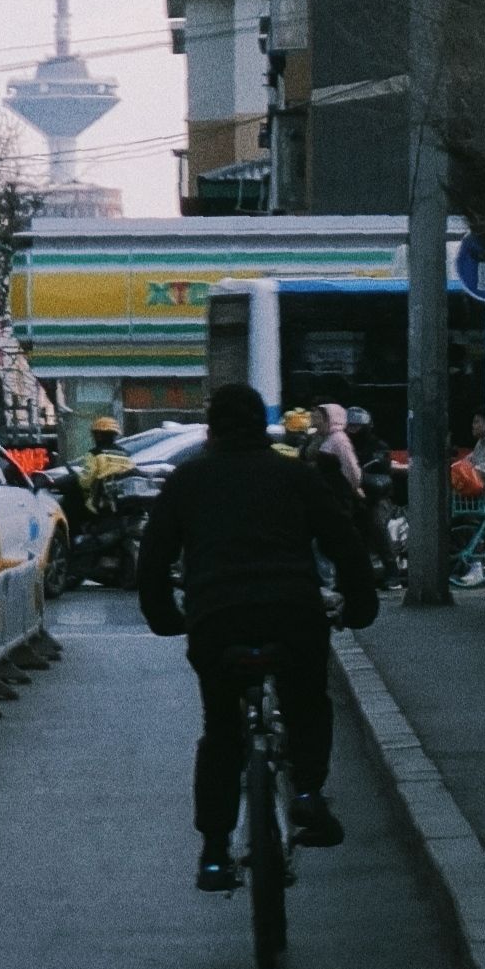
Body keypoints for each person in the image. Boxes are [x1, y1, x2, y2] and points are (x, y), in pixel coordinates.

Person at [139, 381, 380, 891]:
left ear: (212, 429)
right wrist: (361, 605)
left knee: (221, 731)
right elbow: (345, 542)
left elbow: (153, 557)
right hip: (292, 614)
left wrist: (165, 616)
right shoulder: (295, 476)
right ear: (262, 428)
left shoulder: (187, 480)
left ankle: (213, 852)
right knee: (307, 704)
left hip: (216, 619)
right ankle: (308, 794)